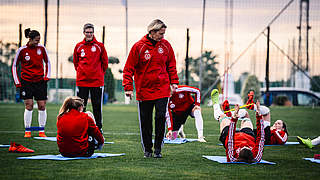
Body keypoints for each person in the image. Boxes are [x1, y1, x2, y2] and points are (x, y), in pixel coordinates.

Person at [123, 19, 179, 158]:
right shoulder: (139, 47)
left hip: (162, 89)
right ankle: (147, 149)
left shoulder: (166, 46)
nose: (163, 36)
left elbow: (171, 65)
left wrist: (174, 82)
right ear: (152, 32)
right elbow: (128, 68)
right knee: (145, 121)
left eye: (164, 33)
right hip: (144, 91)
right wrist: (128, 87)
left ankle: (158, 149)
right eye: (160, 33)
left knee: (160, 117)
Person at [12, 28, 51, 138]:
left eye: (39, 40)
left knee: (42, 106)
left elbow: (48, 62)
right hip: (26, 82)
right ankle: (27, 131)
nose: (38, 42)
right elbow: (15, 65)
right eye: (36, 40)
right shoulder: (22, 50)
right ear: (30, 39)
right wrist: (17, 81)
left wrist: (47, 76)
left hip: (40, 81)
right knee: (29, 105)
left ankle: (41, 131)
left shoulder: (42, 48)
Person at [211, 89, 265, 163]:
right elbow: (261, 137)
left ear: (239, 153)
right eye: (248, 147)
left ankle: (216, 105)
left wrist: (234, 119)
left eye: (243, 147)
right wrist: (259, 117)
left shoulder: (232, 156)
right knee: (245, 114)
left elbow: (230, 137)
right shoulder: (256, 157)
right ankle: (230, 114)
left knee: (222, 117)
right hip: (248, 136)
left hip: (230, 137)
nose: (244, 145)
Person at [73, 23, 108, 132]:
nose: (89, 34)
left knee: (97, 106)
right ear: (84, 33)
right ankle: (80, 127)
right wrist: (81, 73)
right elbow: (76, 63)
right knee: (80, 106)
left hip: (96, 82)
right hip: (82, 82)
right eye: (87, 32)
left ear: (93, 33)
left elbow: (105, 63)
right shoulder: (78, 46)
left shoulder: (99, 46)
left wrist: (98, 74)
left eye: (91, 32)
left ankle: (98, 128)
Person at [223, 91, 288, 145]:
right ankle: (231, 115)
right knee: (245, 114)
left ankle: (252, 106)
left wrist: (274, 130)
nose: (276, 124)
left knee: (267, 111)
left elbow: (282, 141)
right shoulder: (273, 131)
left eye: (279, 123)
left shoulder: (283, 133)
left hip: (266, 138)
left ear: (283, 128)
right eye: (276, 123)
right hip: (261, 134)